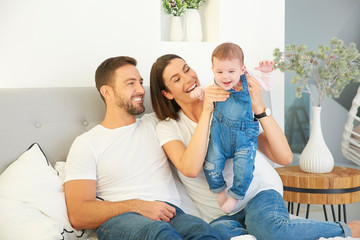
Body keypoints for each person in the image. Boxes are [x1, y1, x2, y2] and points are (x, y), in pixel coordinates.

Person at [149, 53, 360, 240]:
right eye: (177, 79)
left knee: (271, 231)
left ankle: (348, 229)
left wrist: (258, 105)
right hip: (220, 215)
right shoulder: (168, 128)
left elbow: (284, 157)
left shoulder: (229, 100)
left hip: (257, 194)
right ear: (167, 94)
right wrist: (206, 112)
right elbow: (191, 168)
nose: (188, 78)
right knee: (221, 236)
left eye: (187, 69)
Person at [64, 56, 221, 240]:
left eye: (140, 82)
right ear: (107, 92)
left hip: (171, 214)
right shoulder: (87, 143)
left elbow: (185, 94)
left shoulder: (158, 124)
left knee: (203, 232)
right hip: (123, 219)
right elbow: (78, 214)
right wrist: (137, 205)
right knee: (160, 234)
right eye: (130, 84)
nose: (140, 90)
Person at [189, 43, 274, 213]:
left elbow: (267, 85)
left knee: (244, 167)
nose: (225, 77)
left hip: (244, 137)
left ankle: (235, 197)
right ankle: (220, 194)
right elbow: (204, 92)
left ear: (242, 69)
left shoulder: (249, 81)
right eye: (219, 72)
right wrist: (198, 92)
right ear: (213, 70)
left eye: (231, 71)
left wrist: (266, 72)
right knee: (211, 166)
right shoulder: (213, 86)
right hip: (220, 136)